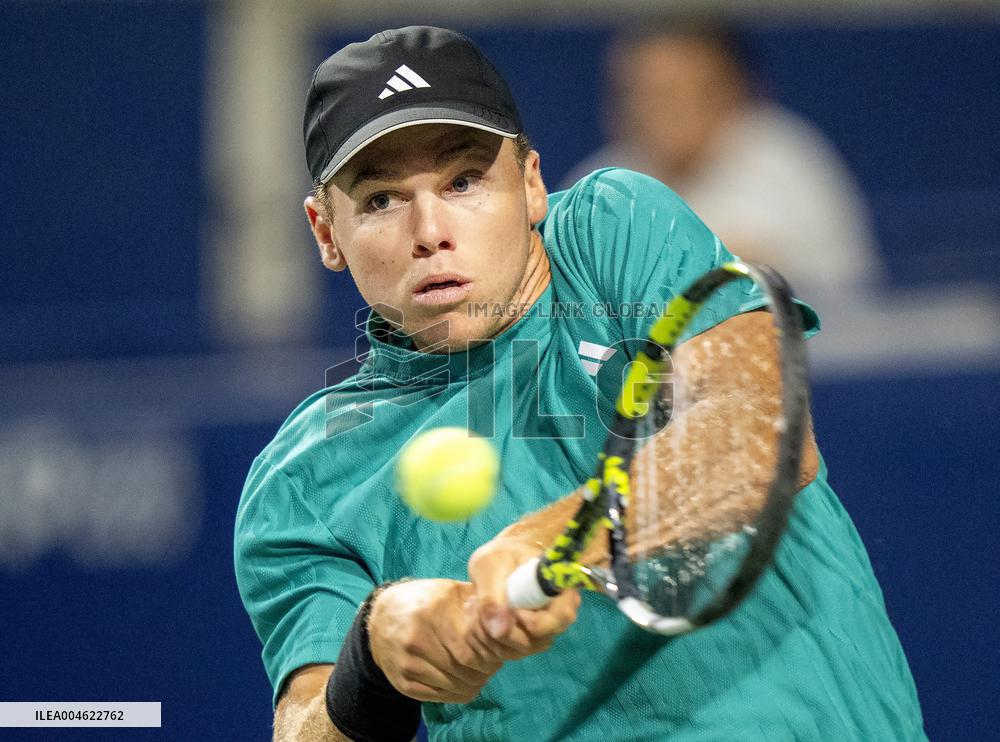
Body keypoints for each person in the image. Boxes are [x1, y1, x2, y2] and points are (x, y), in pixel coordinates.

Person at [234, 26, 925, 741]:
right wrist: (373, 657)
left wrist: (552, 542)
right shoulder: (302, 479)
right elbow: (304, 725)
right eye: (381, 200)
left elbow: (761, 436)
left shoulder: (615, 228)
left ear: (531, 184)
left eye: (464, 181)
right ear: (324, 231)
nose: (431, 229)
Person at [563, 19, 881, 303]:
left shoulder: (782, 155)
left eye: (668, 93)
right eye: (633, 93)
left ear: (724, 91)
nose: (647, 111)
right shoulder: (602, 176)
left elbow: (730, 270)